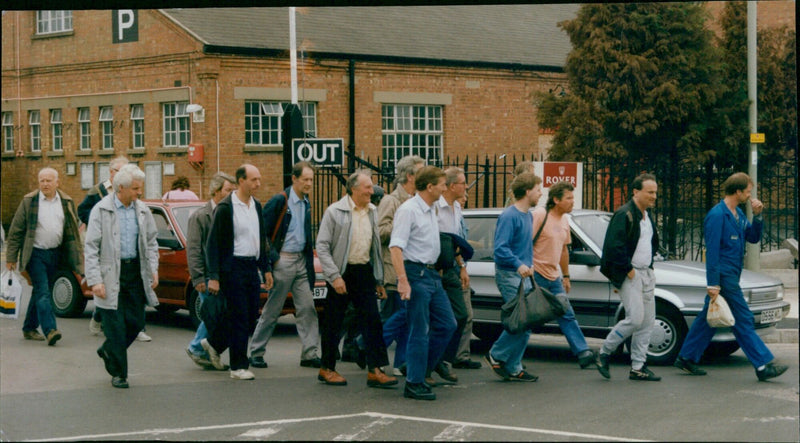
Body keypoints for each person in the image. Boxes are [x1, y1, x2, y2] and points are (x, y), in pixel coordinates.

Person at [674, 172, 788, 381]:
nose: (749, 195)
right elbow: (713, 252)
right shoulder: (717, 215)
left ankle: (686, 357)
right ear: (737, 191)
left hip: (732, 274)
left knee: (708, 318)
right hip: (723, 276)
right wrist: (713, 283)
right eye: (747, 191)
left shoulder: (737, 214)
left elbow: (752, 238)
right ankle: (763, 365)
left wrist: (758, 216)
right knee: (742, 318)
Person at [315, 170, 398, 388]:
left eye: (371, 187)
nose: (372, 191)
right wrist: (334, 276)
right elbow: (322, 246)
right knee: (334, 322)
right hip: (341, 271)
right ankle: (327, 368)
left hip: (363, 271)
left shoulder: (372, 211)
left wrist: (378, 280)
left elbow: (375, 249)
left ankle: (375, 370)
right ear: (354, 189)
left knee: (372, 320)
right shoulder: (335, 211)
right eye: (368, 187)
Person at [84, 164, 159, 388]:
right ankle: (119, 373)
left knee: (136, 322)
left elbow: (151, 242)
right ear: (121, 189)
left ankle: (108, 350)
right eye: (136, 188)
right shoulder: (101, 209)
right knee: (115, 326)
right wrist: (95, 280)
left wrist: (153, 269)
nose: (139, 192)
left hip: (134, 271)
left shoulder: (143, 210)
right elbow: (91, 247)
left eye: (140, 188)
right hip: (110, 273)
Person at [390, 165, 457, 401]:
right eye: (441, 184)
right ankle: (414, 383)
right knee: (420, 330)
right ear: (430, 187)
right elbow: (396, 247)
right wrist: (403, 281)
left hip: (431, 274)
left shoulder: (431, 208)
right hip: (415, 273)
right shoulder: (409, 210)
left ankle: (416, 366)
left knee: (448, 324)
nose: (445, 188)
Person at [204, 164, 274, 380]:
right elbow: (213, 244)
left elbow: (260, 240)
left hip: (251, 267)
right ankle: (238, 366)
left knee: (252, 314)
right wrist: (214, 277)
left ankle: (214, 343)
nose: (258, 184)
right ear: (241, 181)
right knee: (240, 317)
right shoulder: (226, 208)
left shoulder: (257, 205)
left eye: (259, 179)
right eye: (253, 180)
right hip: (232, 268)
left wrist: (266, 268)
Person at [249, 161, 321, 369]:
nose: (309, 183)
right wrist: (274, 258)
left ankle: (309, 353)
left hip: (300, 260)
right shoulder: (280, 201)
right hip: (284, 259)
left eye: (311, 179)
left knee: (307, 308)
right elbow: (262, 231)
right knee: (273, 309)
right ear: (294, 179)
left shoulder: (306, 202)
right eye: (305, 179)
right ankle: (256, 351)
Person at [595, 173, 661, 381]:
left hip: (646, 273)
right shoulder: (624, 214)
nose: (654, 196)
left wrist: (649, 267)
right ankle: (605, 352)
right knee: (635, 319)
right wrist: (628, 269)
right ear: (636, 192)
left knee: (647, 322)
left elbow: (651, 243)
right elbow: (614, 246)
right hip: (631, 273)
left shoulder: (646, 216)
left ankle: (638, 366)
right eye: (650, 192)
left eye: (655, 192)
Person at [6, 167, 82, 346]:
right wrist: (11, 258)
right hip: (35, 254)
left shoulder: (66, 201)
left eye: (49, 180)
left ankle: (29, 328)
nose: (45, 184)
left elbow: (72, 229)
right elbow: (16, 231)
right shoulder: (29, 201)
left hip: (56, 254)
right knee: (43, 291)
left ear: (57, 182)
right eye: (42, 180)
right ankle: (50, 330)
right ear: (38, 183)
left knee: (41, 291)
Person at [484, 172, 542, 382]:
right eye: (537, 189)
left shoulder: (527, 215)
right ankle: (498, 355)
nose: (541, 193)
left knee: (526, 322)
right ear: (527, 191)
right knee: (522, 321)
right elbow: (500, 249)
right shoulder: (509, 216)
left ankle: (513, 365)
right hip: (509, 275)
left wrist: (530, 264)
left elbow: (523, 247)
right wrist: (519, 265)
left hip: (522, 275)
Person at [531, 181, 595, 368]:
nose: (572, 202)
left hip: (553, 277)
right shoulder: (540, 215)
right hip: (536, 275)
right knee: (529, 318)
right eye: (568, 198)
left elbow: (564, 251)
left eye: (572, 197)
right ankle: (502, 353)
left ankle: (583, 352)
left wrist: (565, 275)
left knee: (566, 313)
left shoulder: (565, 220)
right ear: (556, 200)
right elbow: (525, 243)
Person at [184, 172, 237, 369]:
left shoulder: (231, 213)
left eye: (233, 191)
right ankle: (196, 347)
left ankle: (205, 348)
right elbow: (194, 249)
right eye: (228, 190)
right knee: (213, 314)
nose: (231, 194)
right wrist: (198, 278)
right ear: (216, 191)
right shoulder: (200, 216)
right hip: (206, 276)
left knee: (221, 313)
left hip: (225, 275)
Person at [379, 155, 425, 376]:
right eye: (421, 171)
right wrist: (402, 224)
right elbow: (380, 231)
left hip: (412, 266)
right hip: (394, 267)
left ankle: (401, 363)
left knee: (408, 317)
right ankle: (369, 348)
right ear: (410, 176)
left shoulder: (419, 200)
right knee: (402, 316)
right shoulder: (391, 200)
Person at [77, 156, 131, 338]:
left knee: (121, 284)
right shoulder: (97, 191)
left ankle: (128, 325)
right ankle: (100, 317)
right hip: (103, 245)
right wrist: (97, 223)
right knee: (107, 283)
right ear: (111, 172)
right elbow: (82, 210)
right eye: (120, 171)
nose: (124, 175)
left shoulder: (129, 190)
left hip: (122, 244)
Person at [429, 167, 474, 383]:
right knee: (433, 319)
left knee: (461, 315)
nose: (466, 187)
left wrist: (462, 266)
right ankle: (426, 363)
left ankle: (442, 360)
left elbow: (456, 242)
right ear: (451, 185)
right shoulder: (435, 206)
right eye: (463, 183)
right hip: (434, 269)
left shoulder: (457, 206)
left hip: (451, 269)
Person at [453, 192, 481, 369]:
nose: (465, 198)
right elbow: (454, 245)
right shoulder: (449, 215)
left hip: (460, 268)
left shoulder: (459, 216)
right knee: (462, 315)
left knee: (465, 315)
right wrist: (462, 265)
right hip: (455, 269)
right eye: (461, 196)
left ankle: (460, 355)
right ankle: (455, 355)